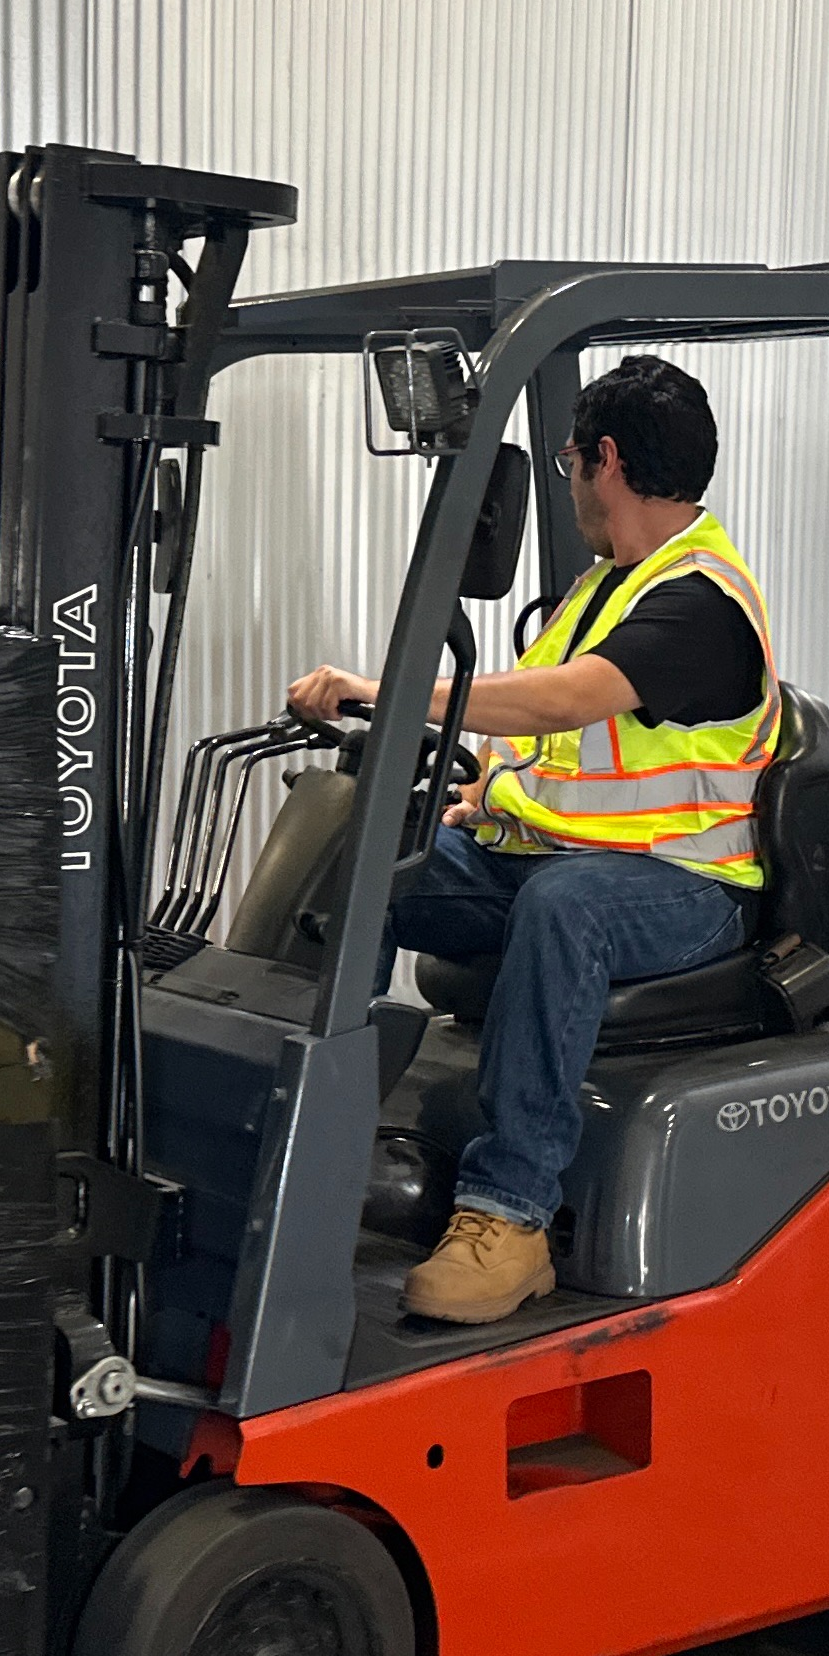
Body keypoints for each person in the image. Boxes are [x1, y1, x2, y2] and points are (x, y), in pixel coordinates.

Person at [286, 355, 777, 1326]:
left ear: (605, 460)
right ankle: (303, 1144)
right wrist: (484, 796)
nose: (572, 483)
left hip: (688, 887)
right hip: (562, 860)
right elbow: (552, 749)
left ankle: (508, 1217)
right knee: (370, 860)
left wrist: (384, 692)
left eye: (569, 463)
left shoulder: (701, 600)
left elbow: (566, 701)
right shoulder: (599, 591)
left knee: (565, 908)